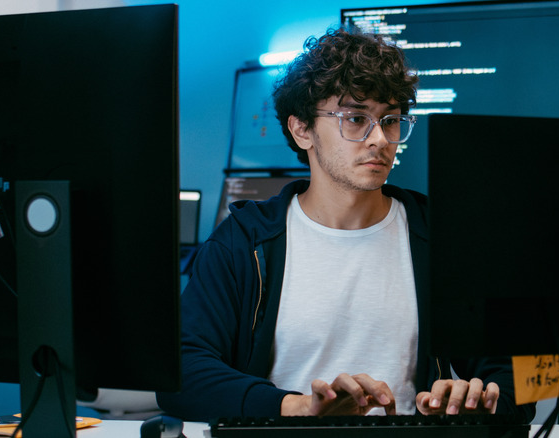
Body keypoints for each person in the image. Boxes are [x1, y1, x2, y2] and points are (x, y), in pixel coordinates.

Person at [157, 27, 535, 422]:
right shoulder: (244, 241)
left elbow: (514, 380)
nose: (380, 139)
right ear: (302, 129)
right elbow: (184, 374)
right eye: (355, 118)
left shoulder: (439, 236)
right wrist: (297, 407)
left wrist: (474, 399)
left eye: (390, 120)